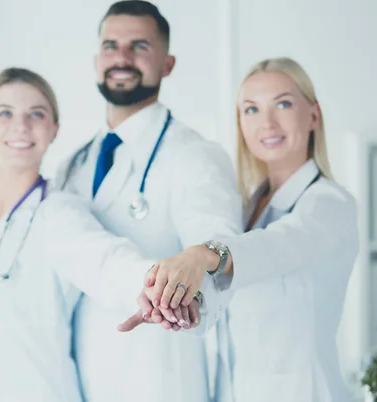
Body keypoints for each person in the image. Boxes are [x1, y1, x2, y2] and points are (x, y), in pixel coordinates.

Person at [0, 67, 208, 402]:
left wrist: (159, 287)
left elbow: (107, 262)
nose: (21, 125)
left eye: (37, 113)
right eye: (5, 113)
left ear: (53, 130)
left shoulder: (57, 213)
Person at [129, 57, 359, 402]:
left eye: (282, 104)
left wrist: (201, 255)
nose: (266, 122)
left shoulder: (329, 203)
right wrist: (180, 304)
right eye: (251, 110)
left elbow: (280, 246)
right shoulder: (250, 206)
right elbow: (232, 299)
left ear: (313, 115)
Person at [56, 1, 242, 401]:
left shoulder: (194, 153)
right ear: (96, 59)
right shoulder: (74, 164)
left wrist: (187, 287)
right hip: (82, 375)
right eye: (111, 45)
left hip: (160, 379)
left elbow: (218, 243)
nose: (121, 57)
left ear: (167, 63)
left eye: (139, 46)